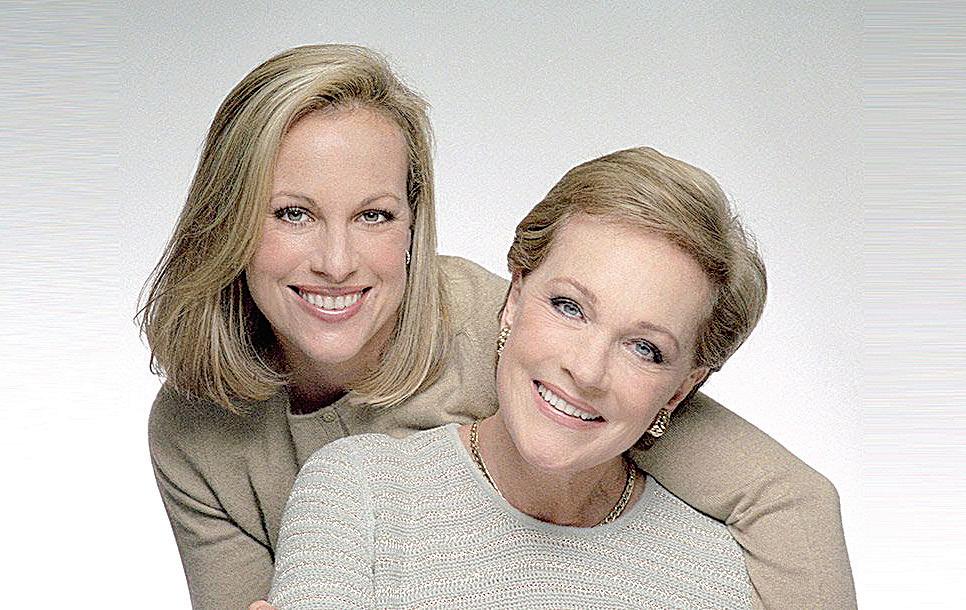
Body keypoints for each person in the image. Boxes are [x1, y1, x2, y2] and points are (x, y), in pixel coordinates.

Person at [142, 45, 855, 609]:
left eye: (375, 215)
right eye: (292, 213)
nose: (336, 262)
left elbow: (786, 500)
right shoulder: (195, 431)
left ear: (414, 224)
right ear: (229, 219)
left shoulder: (501, 332)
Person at [266, 146, 771, 608]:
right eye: (569, 307)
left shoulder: (711, 574)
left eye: (645, 348)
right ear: (514, 297)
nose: (587, 371)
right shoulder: (359, 493)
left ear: (680, 390)